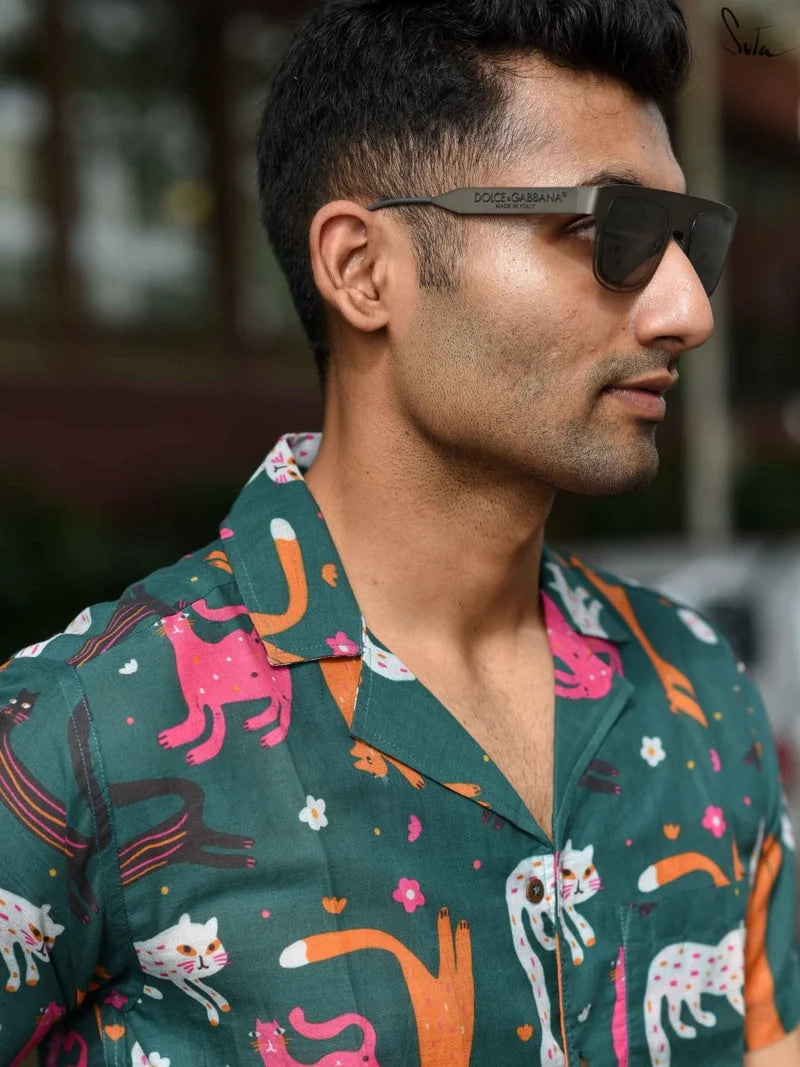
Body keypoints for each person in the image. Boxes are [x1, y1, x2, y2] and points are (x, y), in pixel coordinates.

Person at [1, 0, 798, 1063]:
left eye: (687, 239)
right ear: (362, 267)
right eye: (607, 231)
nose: (682, 309)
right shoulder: (85, 731)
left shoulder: (694, 687)